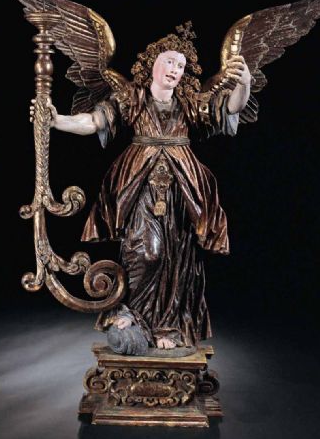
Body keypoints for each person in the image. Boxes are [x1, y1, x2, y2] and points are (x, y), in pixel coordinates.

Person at [31, 32, 251, 351]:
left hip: (182, 191)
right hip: (139, 185)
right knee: (144, 252)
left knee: (176, 258)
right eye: (169, 62)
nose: (175, 69)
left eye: (181, 66)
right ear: (152, 64)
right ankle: (131, 312)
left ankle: (165, 326)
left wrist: (244, 84)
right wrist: (56, 120)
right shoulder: (131, 98)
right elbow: (93, 121)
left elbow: (229, 107)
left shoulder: (190, 102)